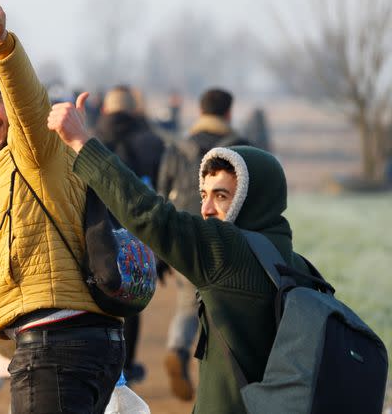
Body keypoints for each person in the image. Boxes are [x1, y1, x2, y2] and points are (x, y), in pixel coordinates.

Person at [48, 92, 312, 414]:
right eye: (203, 194)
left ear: (253, 197)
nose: (205, 208)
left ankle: (177, 347)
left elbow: (149, 213)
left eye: (221, 196)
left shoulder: (228, 250)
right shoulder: (299, 267)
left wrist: (82, 143)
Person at [0, 0, 124, 414]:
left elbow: (28, 103)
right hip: (73, 341)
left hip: (57, 343)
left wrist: (0, 43)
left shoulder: (34, 149)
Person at [155, 87, 250, 400]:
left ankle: (177, 348)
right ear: (228, 113)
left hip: (185, 236)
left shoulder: (177, 148)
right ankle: (220, 380)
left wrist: (160, 249)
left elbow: (160, 194)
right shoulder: (241, 148)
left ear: (200, 111)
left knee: (187, 301)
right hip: (227, 238)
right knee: (225, 307)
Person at [95, 84, 166, 383]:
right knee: (133, 299)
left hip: (98, 230)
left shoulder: (91, 139)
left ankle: (103, 365)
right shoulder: (152, 141)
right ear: (134, 109)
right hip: (139, 230)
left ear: (105, 109)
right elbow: (164, 188)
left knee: (98, 298)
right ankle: (128, 364)